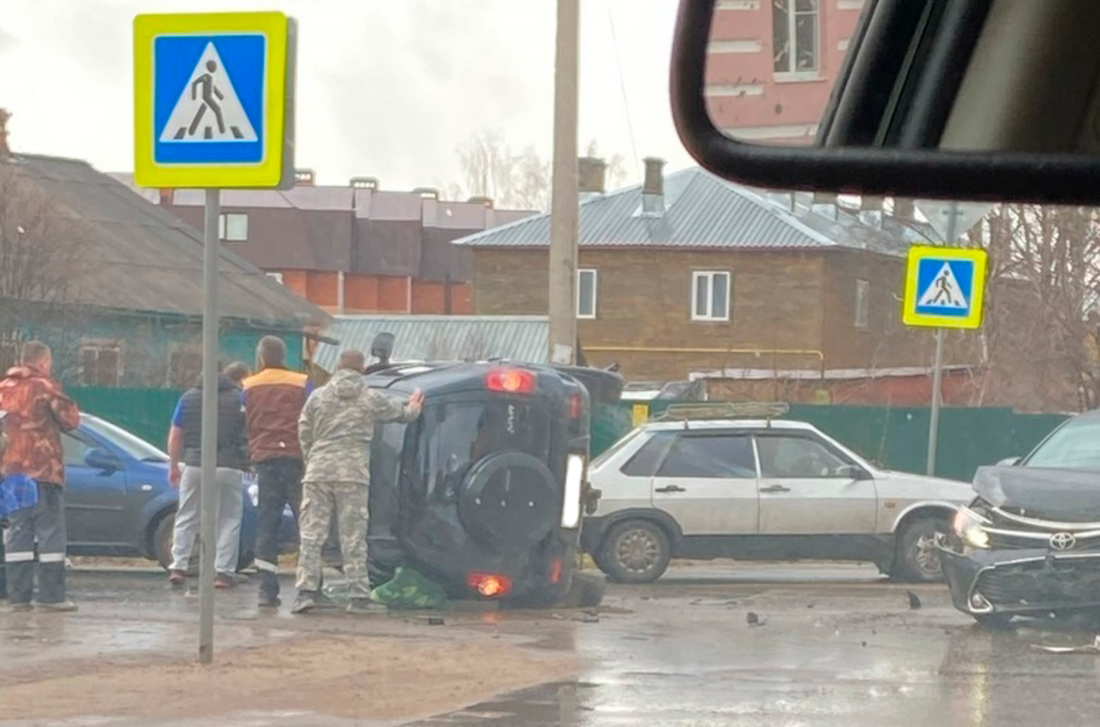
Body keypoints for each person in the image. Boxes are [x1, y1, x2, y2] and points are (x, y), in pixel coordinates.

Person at [292, 350, 423, 615]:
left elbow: (304, 431)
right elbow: (405, 414)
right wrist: (415, 405)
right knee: (352, 536)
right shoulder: (370, 398)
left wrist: (313, 458)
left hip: (319, 470)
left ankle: (306, 593)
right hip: (352, 474)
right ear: (362, 370)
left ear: (337, 368)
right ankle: (358, 596)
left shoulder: (318, 396)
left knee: (312, 534)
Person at [0, 341, 81, 611]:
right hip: (43, 471)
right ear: (43, 362)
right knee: (50, 535)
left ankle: (18, 597)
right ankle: (51, 597)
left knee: (18, 535)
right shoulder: (45, 387)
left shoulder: (3, 389)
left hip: (11, 474)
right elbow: (71, 420)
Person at [243, 336, 312, 608]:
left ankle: (267, 589)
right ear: (284, 356)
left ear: (260, 357)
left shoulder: (248, 386)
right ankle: (308, 587)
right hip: (296, 459)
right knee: (306, 523)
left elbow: (243, 422)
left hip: (265, 460)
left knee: (267, 524)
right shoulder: (302, 383)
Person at [166, 365, 250, 589]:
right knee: (229, 518)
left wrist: (174, 466)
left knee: (187, 514)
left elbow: (175, 436)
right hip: (228, 465)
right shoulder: (239, 399)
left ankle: (178, 566)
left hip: (194, 464)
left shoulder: (188, 398)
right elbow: (248, 431)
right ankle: (223, 572)